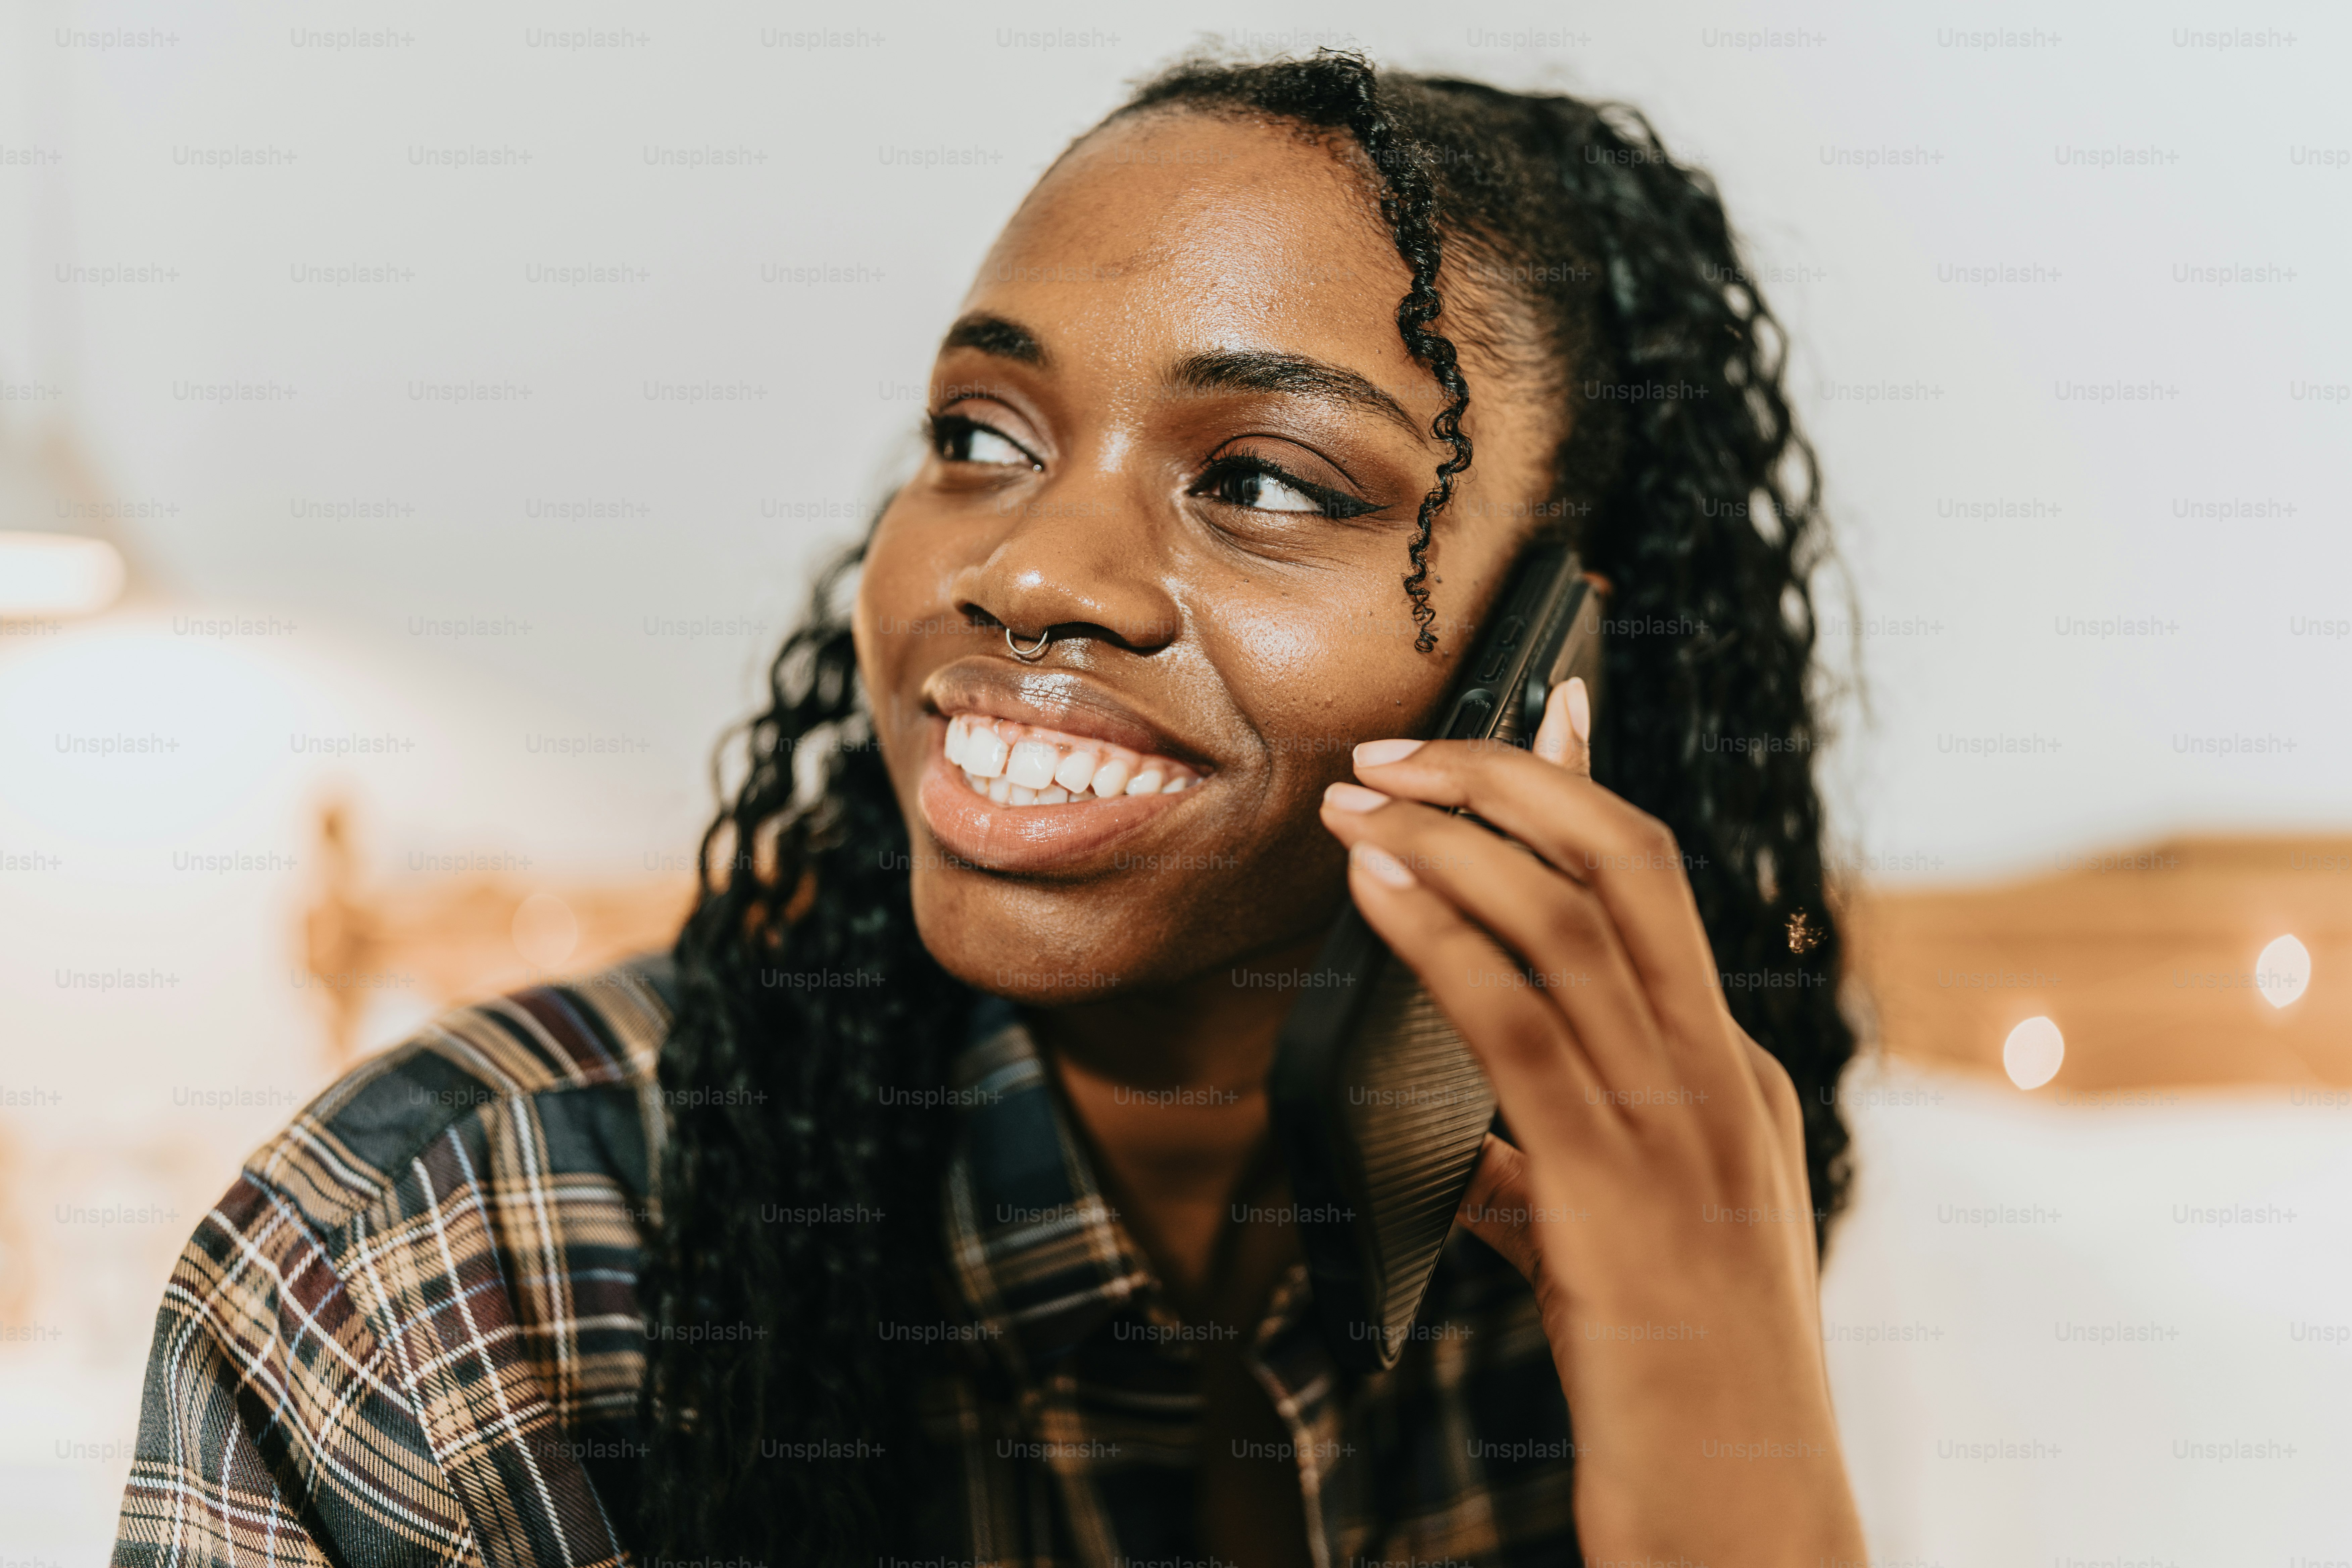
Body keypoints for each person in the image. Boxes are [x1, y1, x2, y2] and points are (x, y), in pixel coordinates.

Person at [115, 50, 1862, 1568]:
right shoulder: (419, 1271)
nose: (1029, 568)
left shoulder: (1612, 1235)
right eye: (982, 435)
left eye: (1258, 478)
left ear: (1549, 661)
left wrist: (1746, 1476)